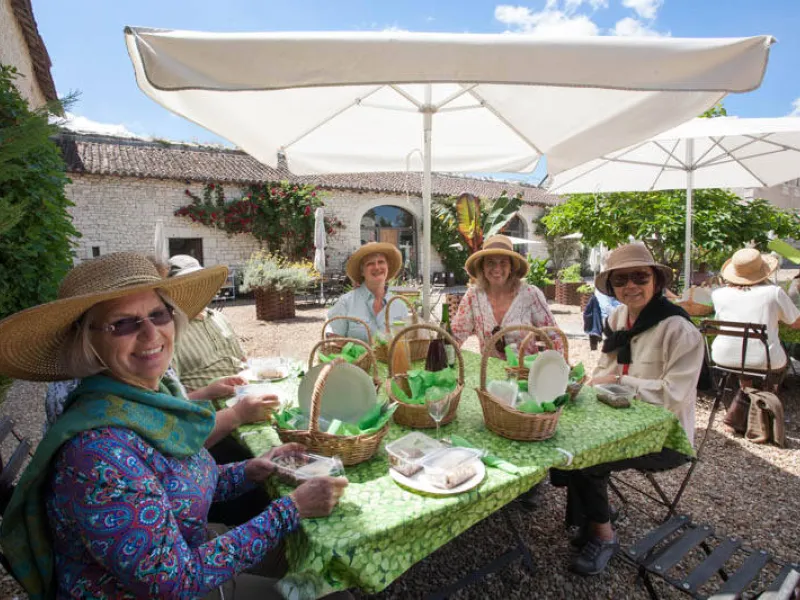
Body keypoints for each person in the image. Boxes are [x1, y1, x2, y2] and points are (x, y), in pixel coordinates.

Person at [0, 252, 347, 599]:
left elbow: (177, 485)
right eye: (123, 323)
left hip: (191, 548)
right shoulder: (96, 454)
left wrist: (251, 470)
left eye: (158, 314)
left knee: (318, 563)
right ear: (87, 341)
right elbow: (173, 583)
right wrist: (291, 509)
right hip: (165, 586)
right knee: (333, 592)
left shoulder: (145, 402)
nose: (151, 333)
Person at [560, 243, 704, 576]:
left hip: (666, 438)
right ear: (612, 287)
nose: (630, 286)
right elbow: (603, 370)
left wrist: (620, 381)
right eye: (621, 280)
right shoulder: (617, 318)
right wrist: (587, 383)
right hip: (619, 422)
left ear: (656, 280)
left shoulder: (678, 330)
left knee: (589, 460)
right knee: (567, 443)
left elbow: (673, 396)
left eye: (640, 276)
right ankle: (592, 517)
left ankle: (604, 535)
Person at [711, 248, 800, 434]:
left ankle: (740, 411)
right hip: (763, 359)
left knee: (748, 362)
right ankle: (760, 415)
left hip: (723, 355)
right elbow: (795, 323)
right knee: (772, 361)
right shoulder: (774, 292)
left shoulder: (718, 294)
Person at [451, 235, 562, 358]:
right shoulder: (473, 296)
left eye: (503, 262)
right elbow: (456, 335)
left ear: (511, 268)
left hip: (525, 368)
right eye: (490, 262)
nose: (497, 269)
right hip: (489, 369)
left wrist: (554, 365)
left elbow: (554, 336)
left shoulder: (530, 294)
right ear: (482, 267)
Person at [326, 242, 408, 342]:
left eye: (381, 262)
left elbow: (407, 342)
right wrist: (355, 349)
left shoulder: (399, 306)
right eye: (370, 263)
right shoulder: (346, 302)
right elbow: (332, 339)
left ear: (388, 267)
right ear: (362, 271)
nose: (377, 267)